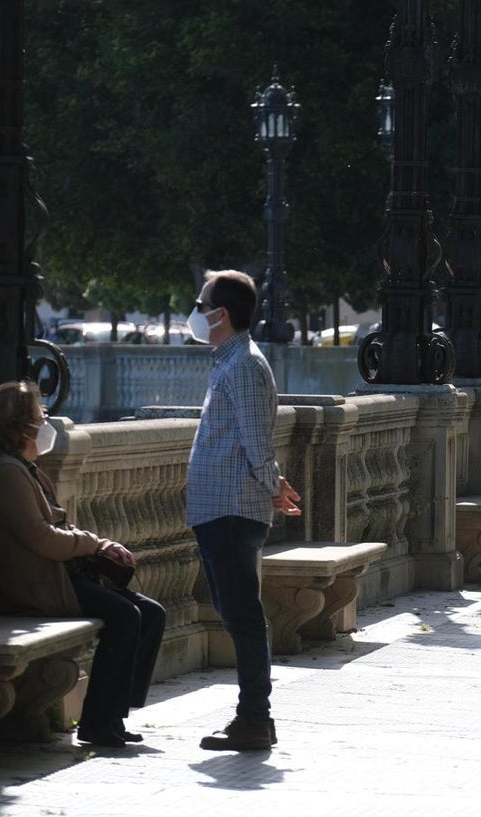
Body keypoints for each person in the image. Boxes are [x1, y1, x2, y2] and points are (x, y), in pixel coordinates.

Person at [0, 381, 167, 748]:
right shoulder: (6, 472)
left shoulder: (24, 467)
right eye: (39, 417)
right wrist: (93, 545)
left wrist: (102, 544)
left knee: (151, 612)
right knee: (125, 617)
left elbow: (59, 523)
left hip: (56, 576)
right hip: (37, 585)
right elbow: (41, 537)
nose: (45, 423)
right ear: (20, 425)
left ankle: (112, 713)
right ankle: (97, 723)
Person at [186, 270, 302, 752]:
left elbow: (257, 445)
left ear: (221, 314)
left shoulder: (244, 367)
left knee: (244, 617)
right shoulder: (230, 362)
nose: (195, 310)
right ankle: (252, 716)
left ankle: (255, 717)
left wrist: (274, 487)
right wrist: (275, 484)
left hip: (232, 510)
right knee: (237, 614)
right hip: (220, 509)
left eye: (201, 301)